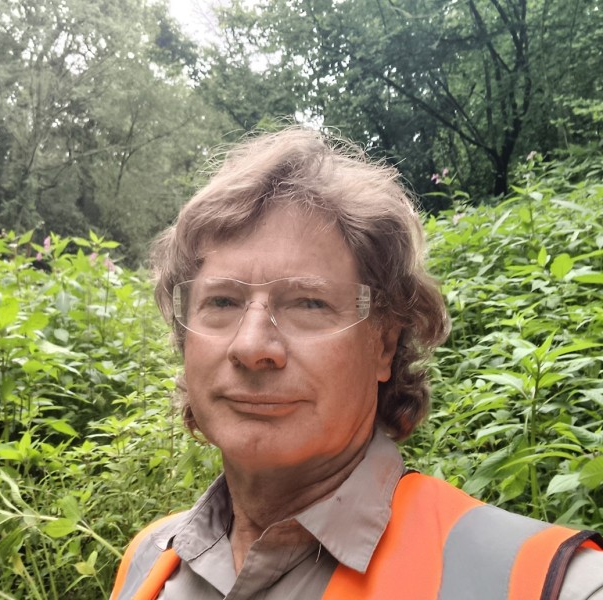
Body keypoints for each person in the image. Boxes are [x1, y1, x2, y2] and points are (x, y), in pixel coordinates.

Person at [110, 128, 603, 599]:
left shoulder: (549, 582)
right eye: (220, 302)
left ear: (384, 345)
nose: (252, 345)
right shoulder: (147, 562)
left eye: (308, 303)